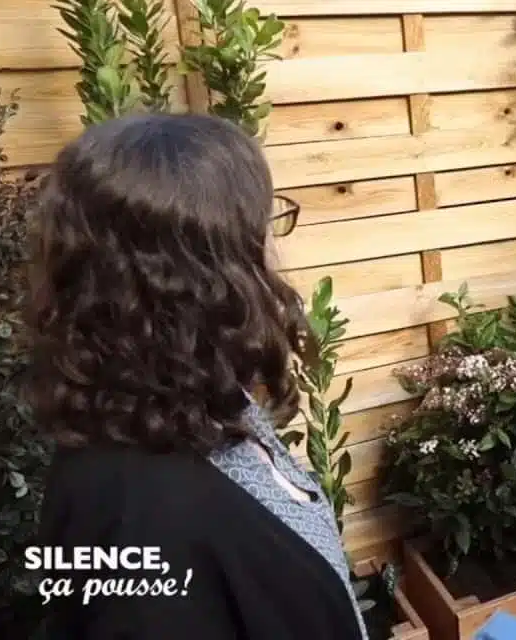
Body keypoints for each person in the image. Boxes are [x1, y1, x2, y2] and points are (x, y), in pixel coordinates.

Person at [27, 113, 368, 639]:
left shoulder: (197, 406)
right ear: (202, 276)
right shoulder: (134, 517)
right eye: (262, 228)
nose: (275, 252)